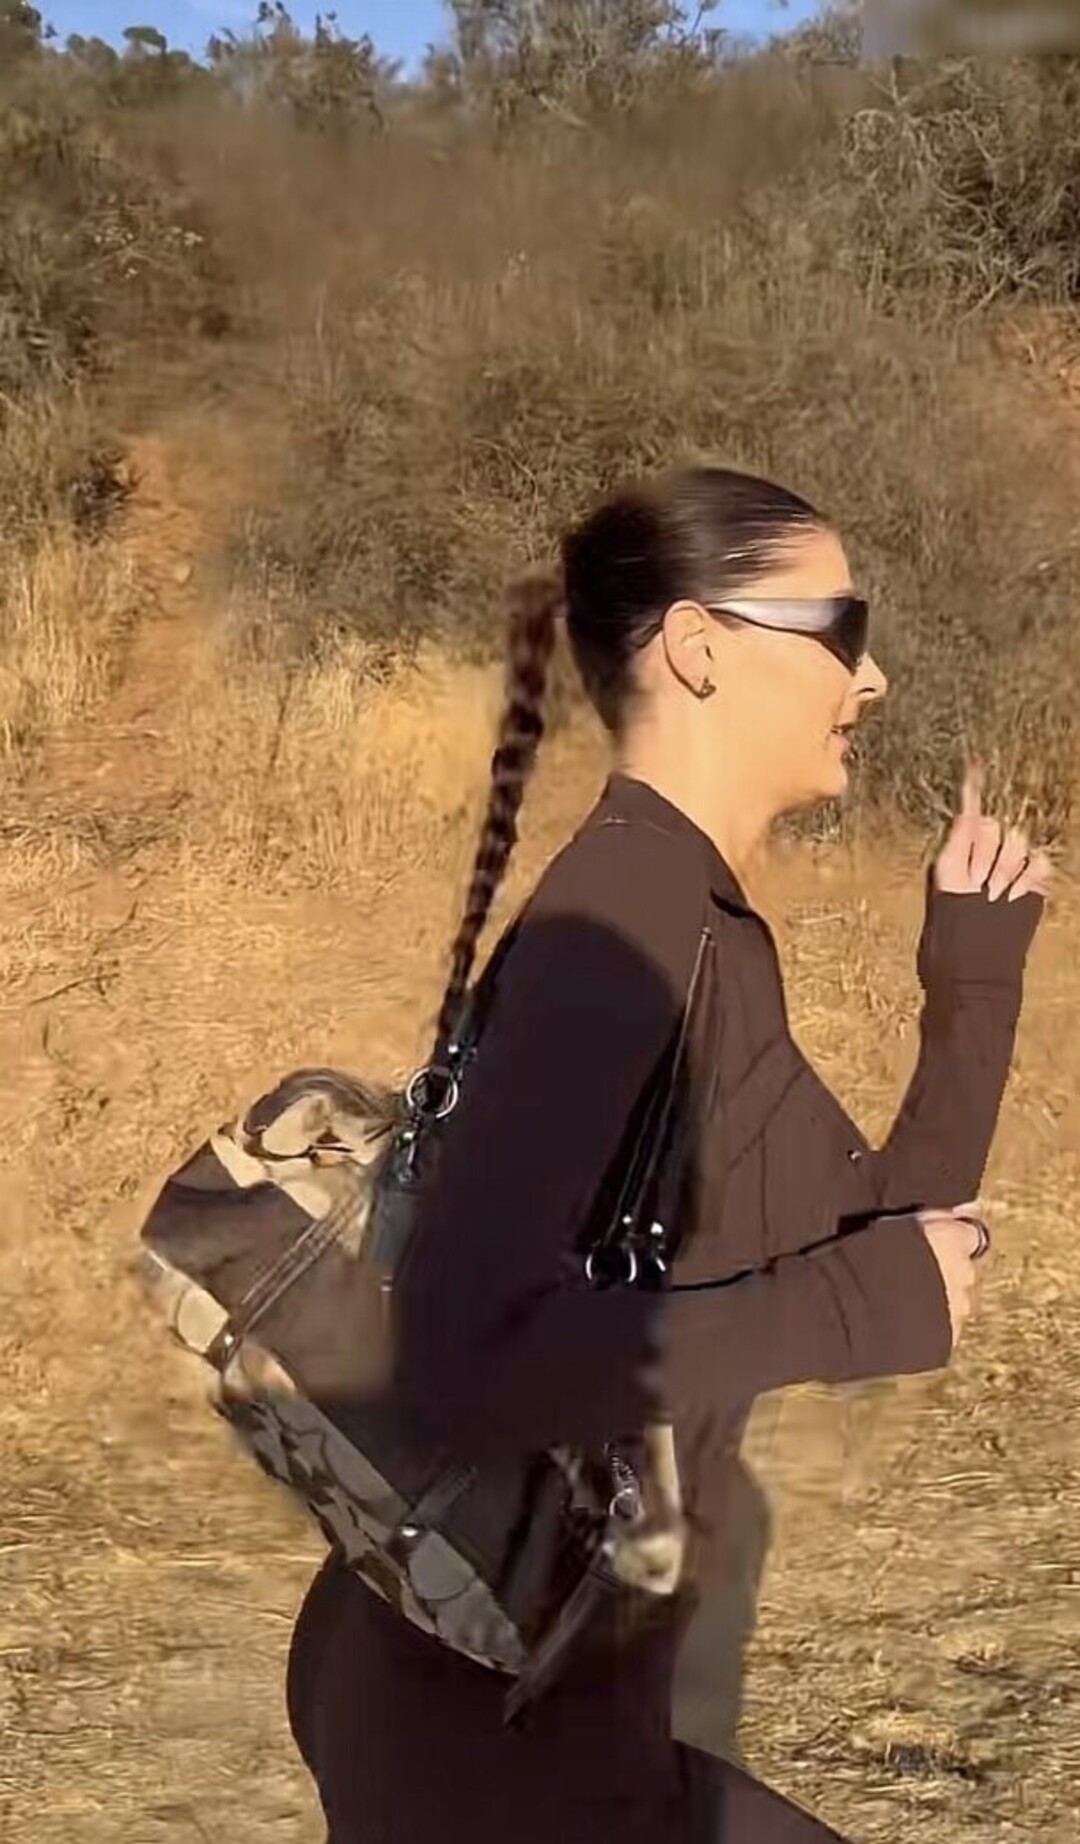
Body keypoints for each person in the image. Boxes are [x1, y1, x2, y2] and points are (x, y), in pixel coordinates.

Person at [286, 466, 1051, 1843]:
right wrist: (849, 1307)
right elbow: (463, 1355)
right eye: (843, 627)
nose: (871, 678)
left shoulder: (692, 924)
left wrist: (974, 977)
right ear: (699, 648)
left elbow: (888, 1240)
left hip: (543, 1695)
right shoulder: (624, 920)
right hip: (479, 1724)